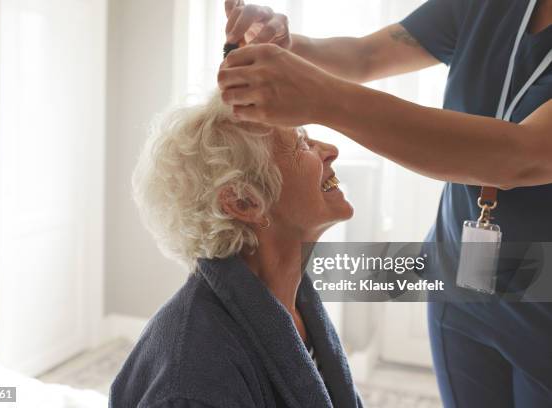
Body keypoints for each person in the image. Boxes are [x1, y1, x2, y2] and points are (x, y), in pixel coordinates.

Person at [218, 0, 552, 407]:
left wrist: (323, 99)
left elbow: (525, 156)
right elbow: (366, 55)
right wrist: (285, 45)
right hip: (458, 276)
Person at [109, 93, 363, 407]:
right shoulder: (192, 378)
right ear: (244, 201)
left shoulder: (294, 302)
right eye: (301, 143)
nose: (330, 151)